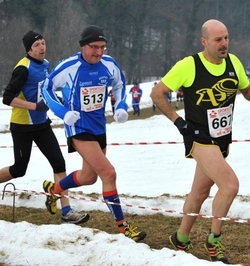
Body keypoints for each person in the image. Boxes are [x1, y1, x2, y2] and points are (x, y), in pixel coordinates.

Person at [150, 19, 250, 264]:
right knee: (230, 186)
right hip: (199, 138)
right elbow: (157, 93)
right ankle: (214, 240)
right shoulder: (189, 65)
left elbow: (245, 92)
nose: (224, 44)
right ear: (204, 42)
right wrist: (177, 121)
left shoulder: (233, 62)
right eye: (218, 40)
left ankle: (180, 238)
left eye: (226, 38)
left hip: (221, 139)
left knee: (200, 192)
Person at [40, 25, 146, 242]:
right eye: (94, 47)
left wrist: (121, 105)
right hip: (78, 127)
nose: (99, 52)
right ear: (83, 46)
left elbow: (120, 84)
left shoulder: (109, 64)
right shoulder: (69, 67)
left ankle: (54, 190)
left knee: (89, 177)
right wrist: (62, 112)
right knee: (109, 173)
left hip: (99, 127)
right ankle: (123, 227)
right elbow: (46, 88)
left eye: (102, 47)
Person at [0, 31, 89, 225]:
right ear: (29, 50)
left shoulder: (46, 64)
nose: (42, 47)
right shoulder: (22, 69)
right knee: (18, 169)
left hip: (42, 124)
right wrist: (34, 106)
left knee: (59, 163)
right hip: (23, 126)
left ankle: (67, 211)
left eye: (43, 43)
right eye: (37, 45)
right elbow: (7, 98)